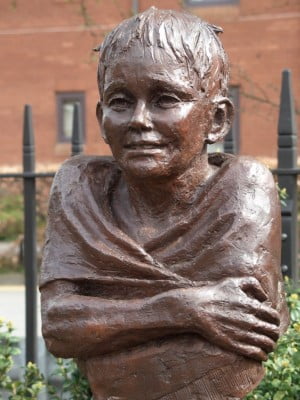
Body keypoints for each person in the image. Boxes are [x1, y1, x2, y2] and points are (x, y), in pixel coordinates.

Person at [40, 8, 289, 400]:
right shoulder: (79, 187)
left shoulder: (242, 189)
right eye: (120, 101)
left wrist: (107, 319)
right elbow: (58, 326)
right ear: (101, 116)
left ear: (218, 120)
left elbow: (245, 330)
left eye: (165, 99)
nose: (139, 120)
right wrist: (185, 307)